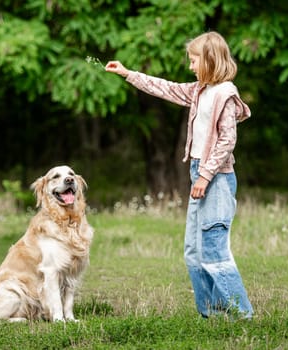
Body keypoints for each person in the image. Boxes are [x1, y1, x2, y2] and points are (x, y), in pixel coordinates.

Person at [105, 31, 253, 319]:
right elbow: (165, 88)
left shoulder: (226, 94)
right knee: (193, 252)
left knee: (213, 251)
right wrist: (127, 73)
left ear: (210, 60)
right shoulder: (200, 90)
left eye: (194, 61)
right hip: (200, 173)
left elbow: (226, 142)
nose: (191, 67)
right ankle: (213, 315)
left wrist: (205, 177)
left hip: (216, 179)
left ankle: (242, 315)